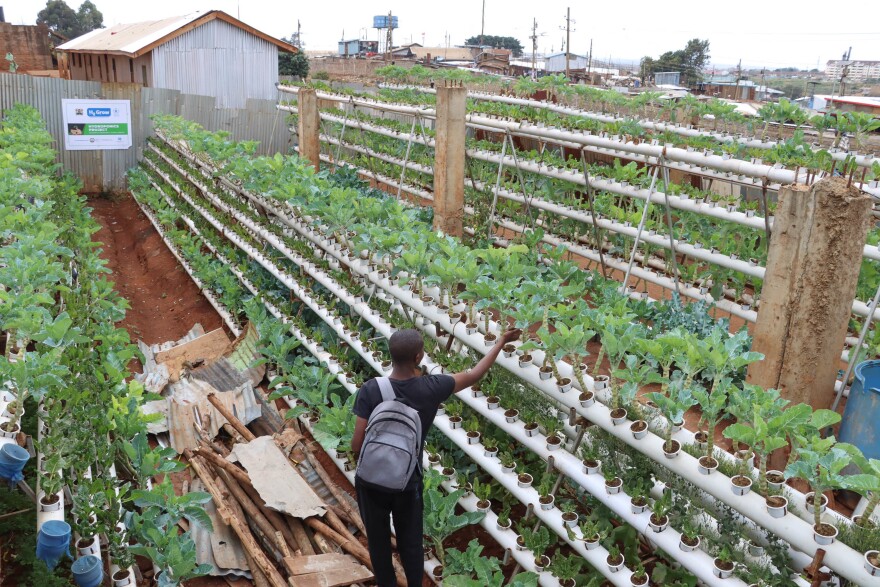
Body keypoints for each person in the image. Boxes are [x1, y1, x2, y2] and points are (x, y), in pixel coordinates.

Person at [351, 327, 522, 587]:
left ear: (390, 355)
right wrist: (501, 342)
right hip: (407, 482)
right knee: (410, 543)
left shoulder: (371, 389)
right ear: (419, 357)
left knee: (378, 543)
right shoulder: (432, 387)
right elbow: (475, 374)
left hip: (371, 481)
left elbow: (356, 445)